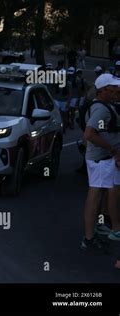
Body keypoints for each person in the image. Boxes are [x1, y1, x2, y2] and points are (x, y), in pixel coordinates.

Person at [81, 73, 120, 253]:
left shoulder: (105, 106)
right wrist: (111, 148)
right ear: (103, 90)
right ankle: (89, 237)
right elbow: (89, 134)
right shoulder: (102, 109)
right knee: (95, 196)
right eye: (113, 89)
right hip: (100, 159)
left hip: (101, 159)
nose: (117, 92)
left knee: (102, 194)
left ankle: (99, 226)